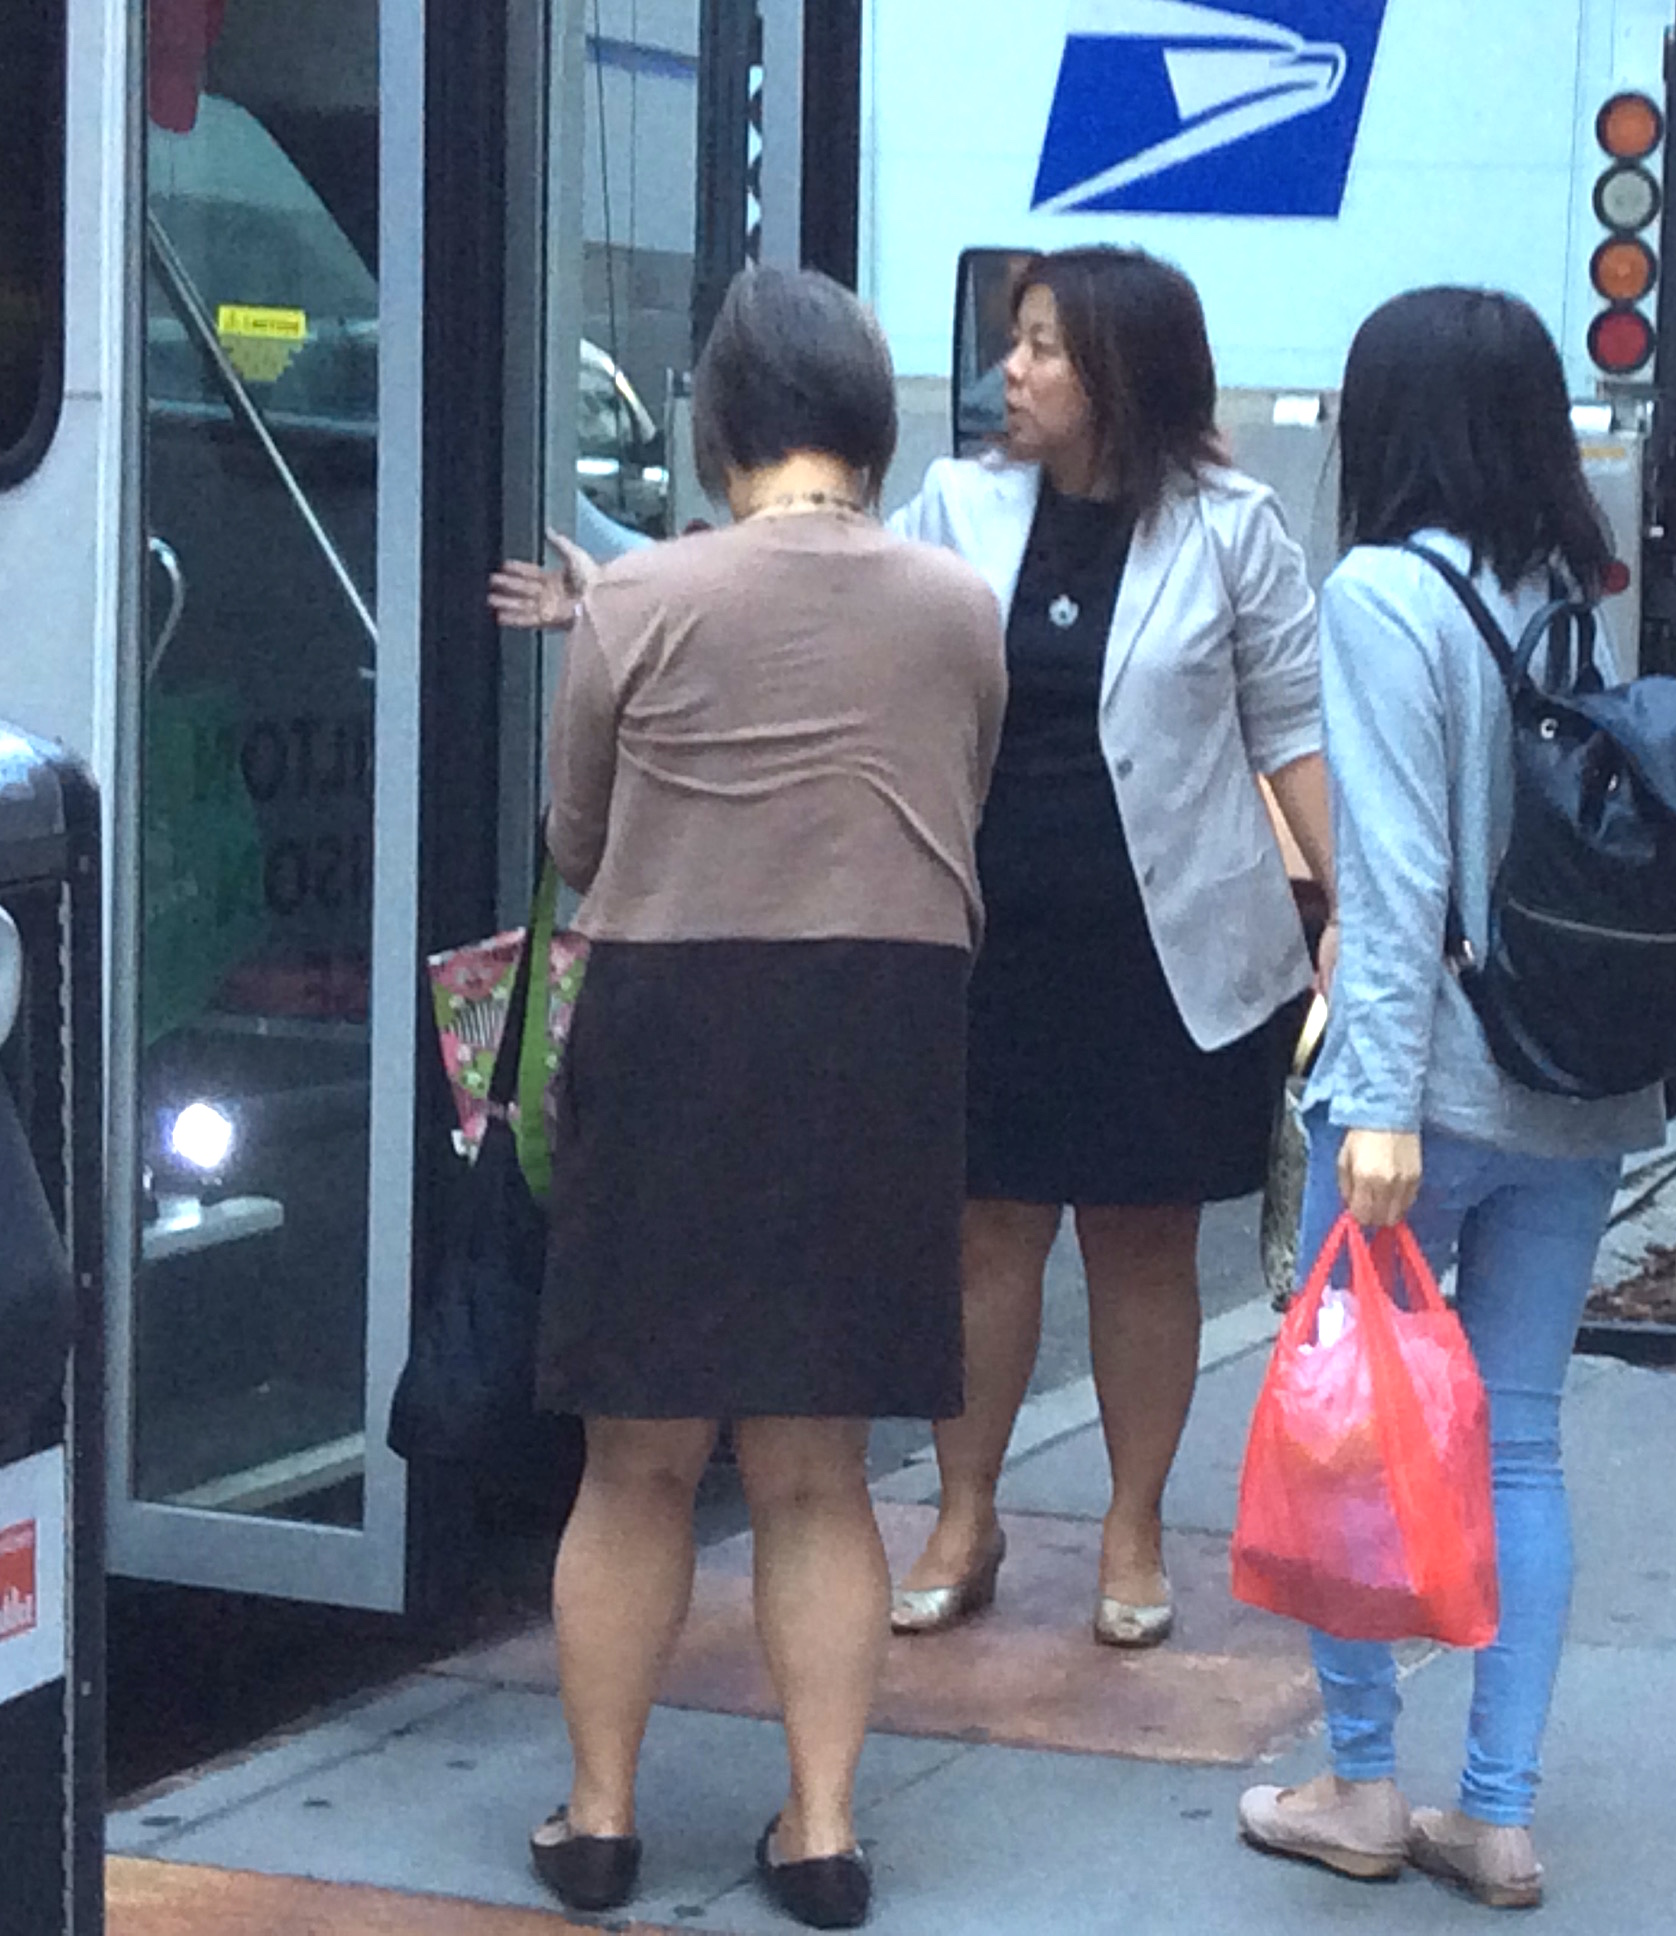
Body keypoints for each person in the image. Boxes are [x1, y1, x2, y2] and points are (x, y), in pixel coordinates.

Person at [527, 266, 1005, 1931]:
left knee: (637, 1462)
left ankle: (595, 1820)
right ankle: (818, 1829)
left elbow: (576, 839)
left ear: (719, 423)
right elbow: (959, 797)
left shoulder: (637, 601)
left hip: (669, 1028)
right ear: (872, 429)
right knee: (817, 1467)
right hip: (877, 1036)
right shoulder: (961, 608)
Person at [1231, 287, 1664, 1912]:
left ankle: (1358, 1785)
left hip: (1423, 1086)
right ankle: (1492, 1812)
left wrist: (1386, 1101)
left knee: (1355, 1441)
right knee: (1522, 1443)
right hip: (1571, 1081)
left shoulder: (1378, 594)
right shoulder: (1561, 584)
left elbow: (1396, 872)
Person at [884, 247, 1335, 1650]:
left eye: (1040, 349)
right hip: (988, 940)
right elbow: (838, 614)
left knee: (1142, 1247)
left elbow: (1295, 732)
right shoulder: (956, 506)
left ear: (1120, 372)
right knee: (985, 1237)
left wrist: (1363, 921)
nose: (1008, 374)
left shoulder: (1234, 528)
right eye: (1012, 345)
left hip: (1171, 952)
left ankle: (1134, 1525)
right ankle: (969, 1511)